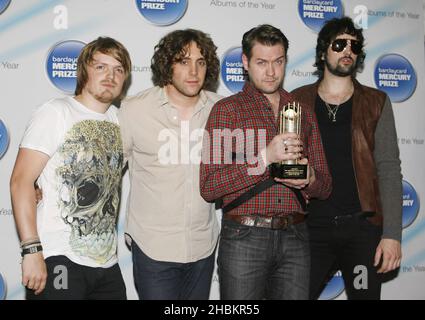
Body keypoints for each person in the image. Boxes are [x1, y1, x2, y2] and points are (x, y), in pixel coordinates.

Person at [200, 24, 332, 300]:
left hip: (296, 235)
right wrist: (264, 158)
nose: (271, 72)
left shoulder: (302, 111)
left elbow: (326, 185)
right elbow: (209, 186)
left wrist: (309, 178)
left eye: (278, 62)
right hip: (244, 237)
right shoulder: (227, 111)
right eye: (261, 62)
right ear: (246, 63)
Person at [10, 37, 132, 300]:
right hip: (58, 257)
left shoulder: (123, 122)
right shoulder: (56, 112)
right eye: (101, 67)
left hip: (107, 265)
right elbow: (21, 181)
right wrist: (31, 251)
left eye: (118, 69)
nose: (110, 75)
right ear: (83, 71)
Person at [291, 17, 402, 300]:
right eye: (339, 44)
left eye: (354, 45)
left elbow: (389, 170)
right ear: (322, 52)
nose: (347, 51)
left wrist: (392, 235)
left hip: (362, 233)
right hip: (310, 228)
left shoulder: (377, 102)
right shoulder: (297, 101)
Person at [118, 29, 221, 300]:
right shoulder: (134, 110)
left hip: (203, 245)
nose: (194, 71)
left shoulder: (221, 110)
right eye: (183, 61)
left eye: (200, 62)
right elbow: (108, 170)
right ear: (167, 64)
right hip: (153, 246)